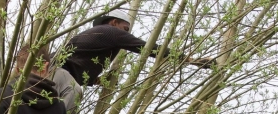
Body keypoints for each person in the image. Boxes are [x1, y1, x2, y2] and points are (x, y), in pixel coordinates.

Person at [56, 8, 215, 86]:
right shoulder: (111, 32)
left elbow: (79, 63)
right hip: (62, 78)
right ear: (114, 22)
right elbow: (149, 48)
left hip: (51, 73)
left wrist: (96, 80)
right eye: (125, 29)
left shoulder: (91, 35)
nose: (126, 34)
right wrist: (192, 60)